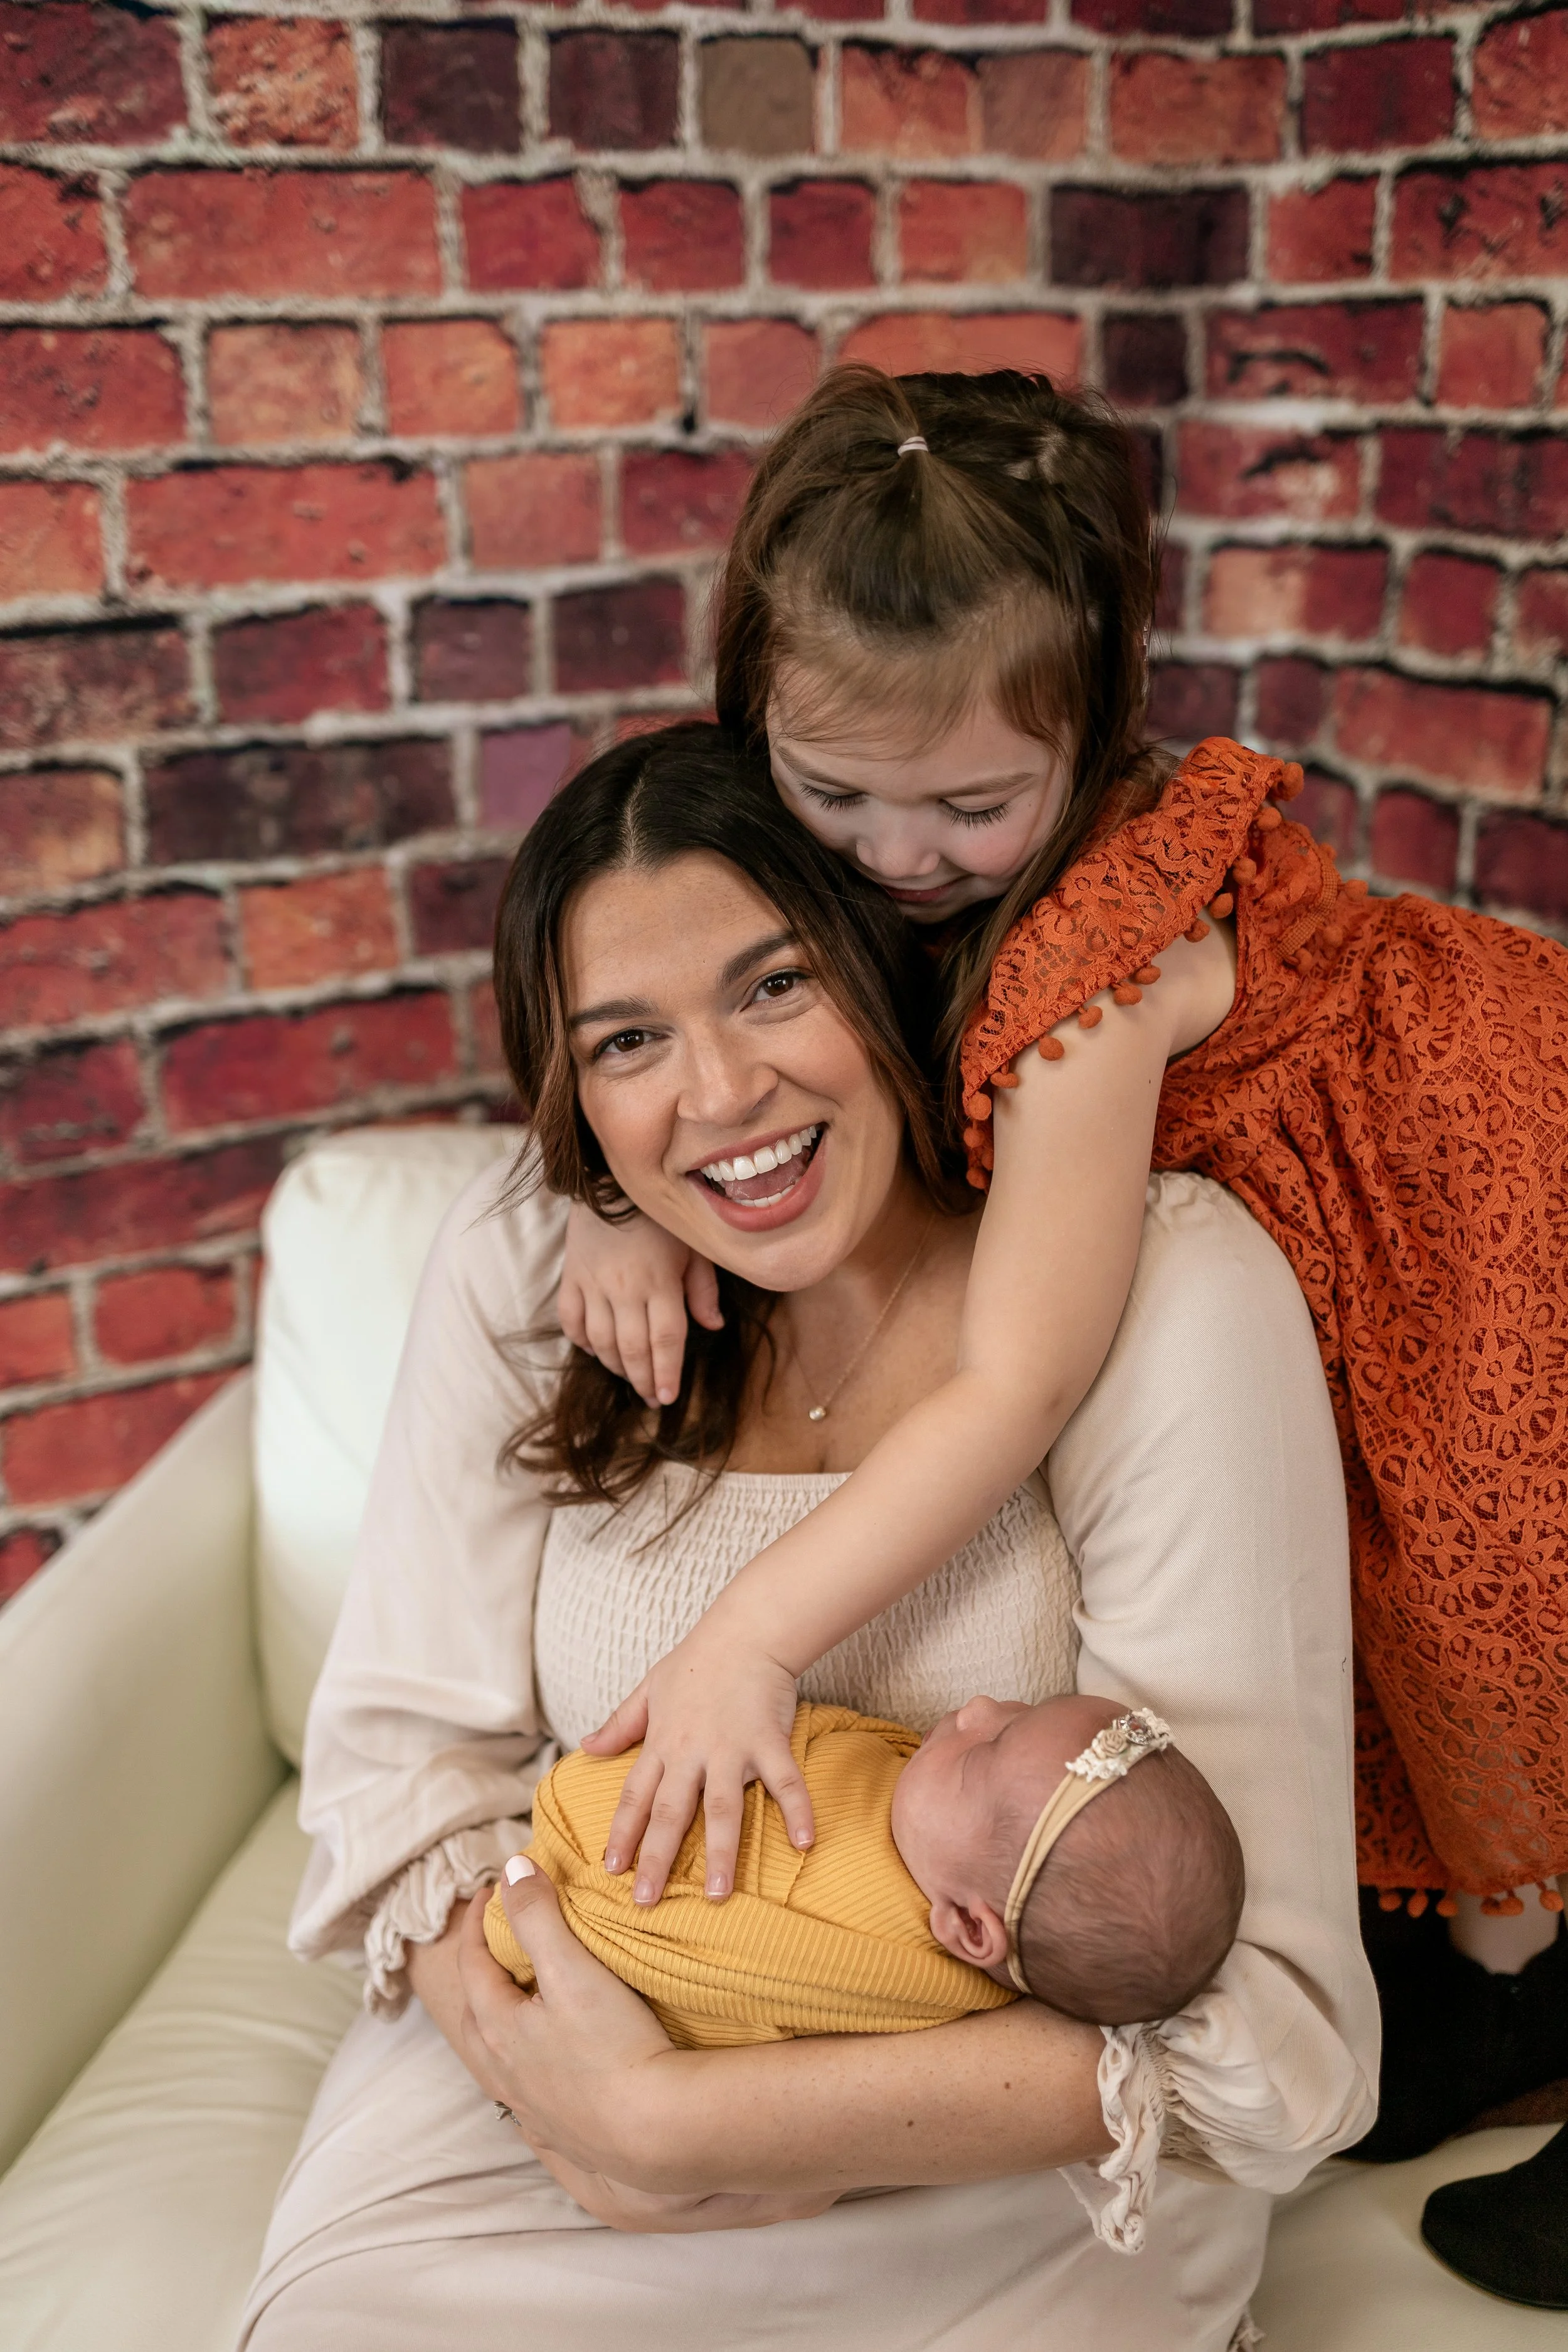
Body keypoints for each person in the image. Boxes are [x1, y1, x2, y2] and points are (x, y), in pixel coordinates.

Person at [560, 370, 1568, 2293]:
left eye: (968, 807)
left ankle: (1516, 1984)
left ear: (1089, 735)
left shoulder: (1088, 976)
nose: (892, 855)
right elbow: (693, 1040)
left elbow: (1012, 1377)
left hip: (1481, 1197)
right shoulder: (864, 869)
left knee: (1496, 1623)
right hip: (1389, 1223)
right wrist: (602, 1197)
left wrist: (746, 1635)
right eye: (829, 791)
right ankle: (1501, 1984)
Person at [240, 723, 1374, 2350]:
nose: (719, 1094)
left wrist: (681, 2129)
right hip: (551, 2079)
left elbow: (1276, 2031)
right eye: (627, 1038)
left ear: (885, 959)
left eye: (775, 985)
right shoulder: (529, 1270)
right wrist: (567, 2082)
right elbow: (397, 1768)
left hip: (1003, 2166)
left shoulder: (1154, 1289)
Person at [482, 1694, 1243, 2043]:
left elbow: (703, 1961)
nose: (977, 1708)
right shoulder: (936, 1839)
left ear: (970, 1927)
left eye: (985, 1749)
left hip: (587, 1887)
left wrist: (547, 1925)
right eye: (1019, 1709)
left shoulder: (872, 1960)